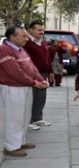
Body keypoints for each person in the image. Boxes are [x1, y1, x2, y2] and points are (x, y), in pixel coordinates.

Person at [0, 26, 48, 157]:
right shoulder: (5, 50)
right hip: (13, 88)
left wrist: (39, 78)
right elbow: (15, 72)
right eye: (23, 36)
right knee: (14, 118)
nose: (27, 39)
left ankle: (20, 141)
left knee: (25, 116)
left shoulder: (21, 49)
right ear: (12, 37)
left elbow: (31, 65)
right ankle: (10, 146)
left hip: (25, 87)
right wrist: (34, 83)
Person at [23, 21, 53, 130]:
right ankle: (28, 121)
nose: (41, 32)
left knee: (41, 97)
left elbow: (48, 58)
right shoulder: (26, 43)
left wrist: (50, 71)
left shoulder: (43, 42)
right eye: (39, 30)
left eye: (42, 30)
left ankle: (37, 118)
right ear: (30, 30)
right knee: (31, 97)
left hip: (43, 73)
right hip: (31, 74)